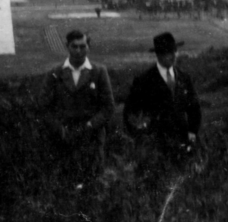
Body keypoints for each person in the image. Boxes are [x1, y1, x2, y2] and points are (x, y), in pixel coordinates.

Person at [42, 30, 116, 179]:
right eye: (74, 46)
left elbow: (108, 107)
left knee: (93, 182)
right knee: (64, 183)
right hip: (64, 139)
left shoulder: (99, 72)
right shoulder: (55, 73)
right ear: (67, 46)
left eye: (82, 46)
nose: (78, 51)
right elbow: (43, 107)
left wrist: (90, 125)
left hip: (92, 139)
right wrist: (58, 127)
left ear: (88, 47)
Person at [123, 31, 201, 158]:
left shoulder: (184, 78)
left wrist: (192, 131)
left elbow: (194, 108)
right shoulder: (144, 80)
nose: (173, 56)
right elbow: (130, 113)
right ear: (158, 55)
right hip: (155, 146)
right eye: (168, 52)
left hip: (183, 141)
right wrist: (141, 137)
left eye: (175, 51)